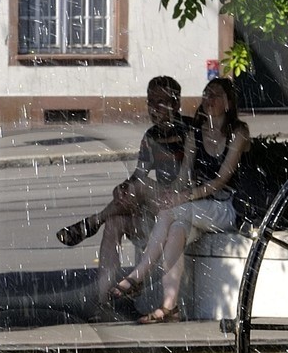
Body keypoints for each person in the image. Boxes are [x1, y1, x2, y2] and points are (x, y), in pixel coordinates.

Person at [114, 75, 249, 321]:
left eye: (216, 94)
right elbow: (184, 175)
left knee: (175, 212)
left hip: (225, 208)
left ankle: (137, 276)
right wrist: (174, 194)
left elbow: (221, 180)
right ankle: (169, 307)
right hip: (198, 208)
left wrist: (183, 198)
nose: (209, 98)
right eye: (206, 93)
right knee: (176, 230)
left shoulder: (238, 132)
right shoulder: (195, 133)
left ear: (228, 103)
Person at [56, 77, 190, 311]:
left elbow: (185, 180)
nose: (154, 108)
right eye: (151, 102)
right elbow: (139, 175)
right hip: (159, 206)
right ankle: (103, 300)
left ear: (176, 103)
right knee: (115, 222)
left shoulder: (189, 131)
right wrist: (124, 187)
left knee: (137, 188)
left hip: (182, 204)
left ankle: (92, 221)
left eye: (161, 102)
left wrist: (135, 186)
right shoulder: (151, 136)